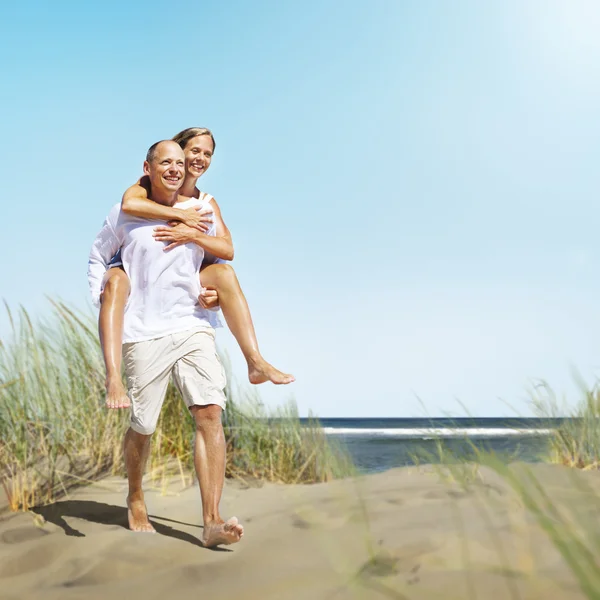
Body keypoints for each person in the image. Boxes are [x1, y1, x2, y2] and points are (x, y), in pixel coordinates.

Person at [88, 140, 244, 546]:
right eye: (166, 162)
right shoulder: (127, 211)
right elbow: (97, 257)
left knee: (210, 412)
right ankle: (136, 495)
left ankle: (211, 521)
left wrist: (210, 295)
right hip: (143, 331)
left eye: (180, 162)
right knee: (143, 425)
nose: (175, 169)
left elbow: (216, 261)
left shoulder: (201, 211)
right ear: (148, 167)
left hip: (191, 326)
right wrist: (103, 294)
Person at [100, 127, 294, 411]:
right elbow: (129, 204)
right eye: (194, 151)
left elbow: (227, 250)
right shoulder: (146, 187)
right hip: (141, 275)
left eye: (208, 154)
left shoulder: (205, 202)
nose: (200, 159)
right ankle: (113, 377)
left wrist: (192, 235)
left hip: (187, 278)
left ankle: (255, 362)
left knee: (225, 274)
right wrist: (179, 215)